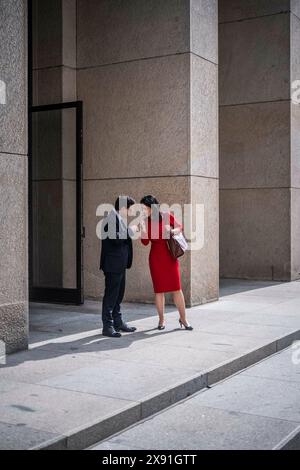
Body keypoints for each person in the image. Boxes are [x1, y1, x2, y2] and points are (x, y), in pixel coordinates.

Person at [140, 195, 193, 331]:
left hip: (170, 257)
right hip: (155, 259)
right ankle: (161, 320)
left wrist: (172, 230)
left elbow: (179, 227)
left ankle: (183, 319)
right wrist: (143, 230)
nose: (143, 210)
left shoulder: (165, 215)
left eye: (144, 208)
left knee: (176, 288)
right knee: (159, 291)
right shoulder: (145, 221)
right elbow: (145, 243)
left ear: (152, 207)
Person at [100, 196, 137, 338]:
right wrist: (130, 230)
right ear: (122, 208)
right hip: (112, 265)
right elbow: (116, 239)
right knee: (111, 296)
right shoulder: (111, 218)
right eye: (130, 209)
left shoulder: (119, 219)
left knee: (118, 295)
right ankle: (107, 326)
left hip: (120, 264)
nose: (130, 212)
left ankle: (118, 322)